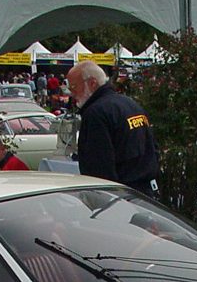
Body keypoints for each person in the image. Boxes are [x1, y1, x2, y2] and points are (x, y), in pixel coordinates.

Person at [67, 60, 158, 195]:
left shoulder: (96, 113)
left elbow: (98, 166)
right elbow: (153, 148)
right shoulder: (130, 104)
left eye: (73, 87)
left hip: (119, 195)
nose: (72, 93)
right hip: (145, 191)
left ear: (92, 83)